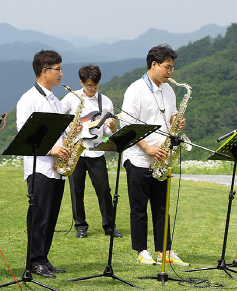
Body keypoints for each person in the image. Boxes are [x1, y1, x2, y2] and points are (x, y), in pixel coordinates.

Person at [121, 44, 189, 266]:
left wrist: (176, 121)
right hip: (139, 157)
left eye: (172, 67)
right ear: (154, 65)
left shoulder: (168, 90)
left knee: (162, 207)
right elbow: (127, 125)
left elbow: (168, 118)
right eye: (167, 67)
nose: (171, 72)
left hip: (161, 158)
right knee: (139, 208)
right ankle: (141, 251)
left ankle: (164, 250)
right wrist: (147, 147)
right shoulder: (135, 89)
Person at [15, 50, 77, 278]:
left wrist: (70, 133)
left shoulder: (55, 100)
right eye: (58, 69)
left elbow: (56, 131)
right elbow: (24, 135)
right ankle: (34, 260)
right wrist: (52, 149)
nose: (61, 73)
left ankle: (43, 256)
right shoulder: (28, 99)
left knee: (51, 216)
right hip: (39, 167)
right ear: (45, 71)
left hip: (56, 169)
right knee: (39, 216)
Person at [60, 65, 121, 239]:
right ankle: (80, 226)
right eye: (89, 85)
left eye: (95, 85)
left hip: (96, 151)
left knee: (104, 190)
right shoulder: (71, 99)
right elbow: (58, 119)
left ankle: (109, 225)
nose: (92, 89)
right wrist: (70, 126)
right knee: (76, 190)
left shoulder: (106, 101)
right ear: (81, 82)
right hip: (76, 151)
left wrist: (114, 127)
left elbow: (110, 133)